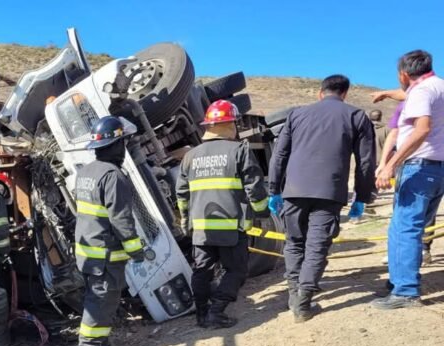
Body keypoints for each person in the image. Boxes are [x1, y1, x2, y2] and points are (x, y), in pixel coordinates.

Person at [268, 74, 376, 322]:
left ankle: (295, 294)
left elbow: (279, 155)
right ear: (345, 93)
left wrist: (274, 189)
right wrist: (362, 196)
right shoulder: (356, 116)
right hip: (329, 192)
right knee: (317, 245)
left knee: (294, 243)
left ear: (320, 92)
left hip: (293, 191)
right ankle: (303, 302)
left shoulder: (296, 115)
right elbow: (366, 162)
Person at [176, 100, 268, 329]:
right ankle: (215, 312)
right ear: (229, 124)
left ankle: (201, 315)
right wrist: (262, 212)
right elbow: (254, 189)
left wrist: (187, 223)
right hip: (232, 228)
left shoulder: (190, 156)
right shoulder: (239, 150)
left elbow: (181, 194)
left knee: (202, 271)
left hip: (201, 229)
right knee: (236, 270)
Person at [373, 50, 444, 309]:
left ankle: (405, 292)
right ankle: (398, 281)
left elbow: (422, 128)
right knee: (405, 228)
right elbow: (408, 95)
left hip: (419, 168)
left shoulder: (422, 91)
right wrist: (387, 93)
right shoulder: (438, 87)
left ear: (404, 73)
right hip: (437, 169)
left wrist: (391, 164)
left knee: (405, 229)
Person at [74, 115, 146, 346]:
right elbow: (121, 219)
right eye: (124, 142)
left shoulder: (86, 172)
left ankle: (98, 342)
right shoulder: (113, 175)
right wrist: (136, 251)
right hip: (104, 254)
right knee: (101, 300)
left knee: (98, 298)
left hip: (87, 251)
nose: (125, 148)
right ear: (116, 145)